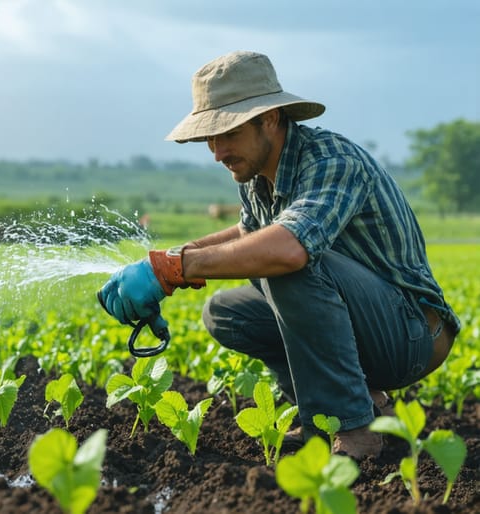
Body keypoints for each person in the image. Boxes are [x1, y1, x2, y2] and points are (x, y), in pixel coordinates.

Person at [98, 50, 460, 460]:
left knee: (288, 267)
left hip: (411, 336)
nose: (217, 152)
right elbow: (250, 233)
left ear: (269, 118)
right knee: (225, 312)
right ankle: (341, 410)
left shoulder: (331, 161)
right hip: (368, 332)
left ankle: (355, 430)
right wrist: (164, 261)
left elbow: (288, 248)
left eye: (227, 134)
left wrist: (177, 268)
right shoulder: (257, 174)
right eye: (210, 139)